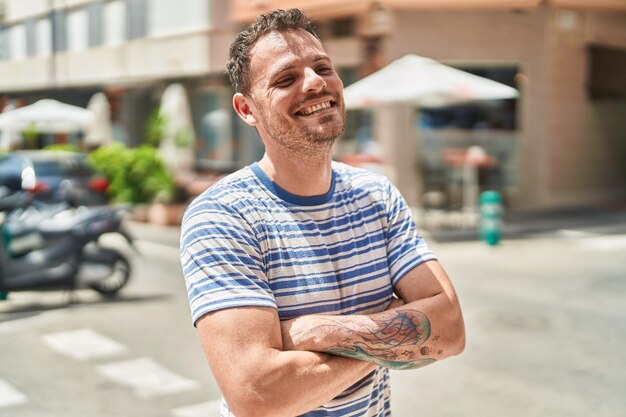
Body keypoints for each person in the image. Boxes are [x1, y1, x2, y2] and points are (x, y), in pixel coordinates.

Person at [180, 8, 465, 417]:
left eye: (322, 67)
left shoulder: (376, 196)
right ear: (246, 110)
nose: (315, 83)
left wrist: (317, 331)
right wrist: (391, 329)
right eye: (285, 78)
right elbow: (256, 396)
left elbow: (451, 329)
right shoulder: (223, 216)